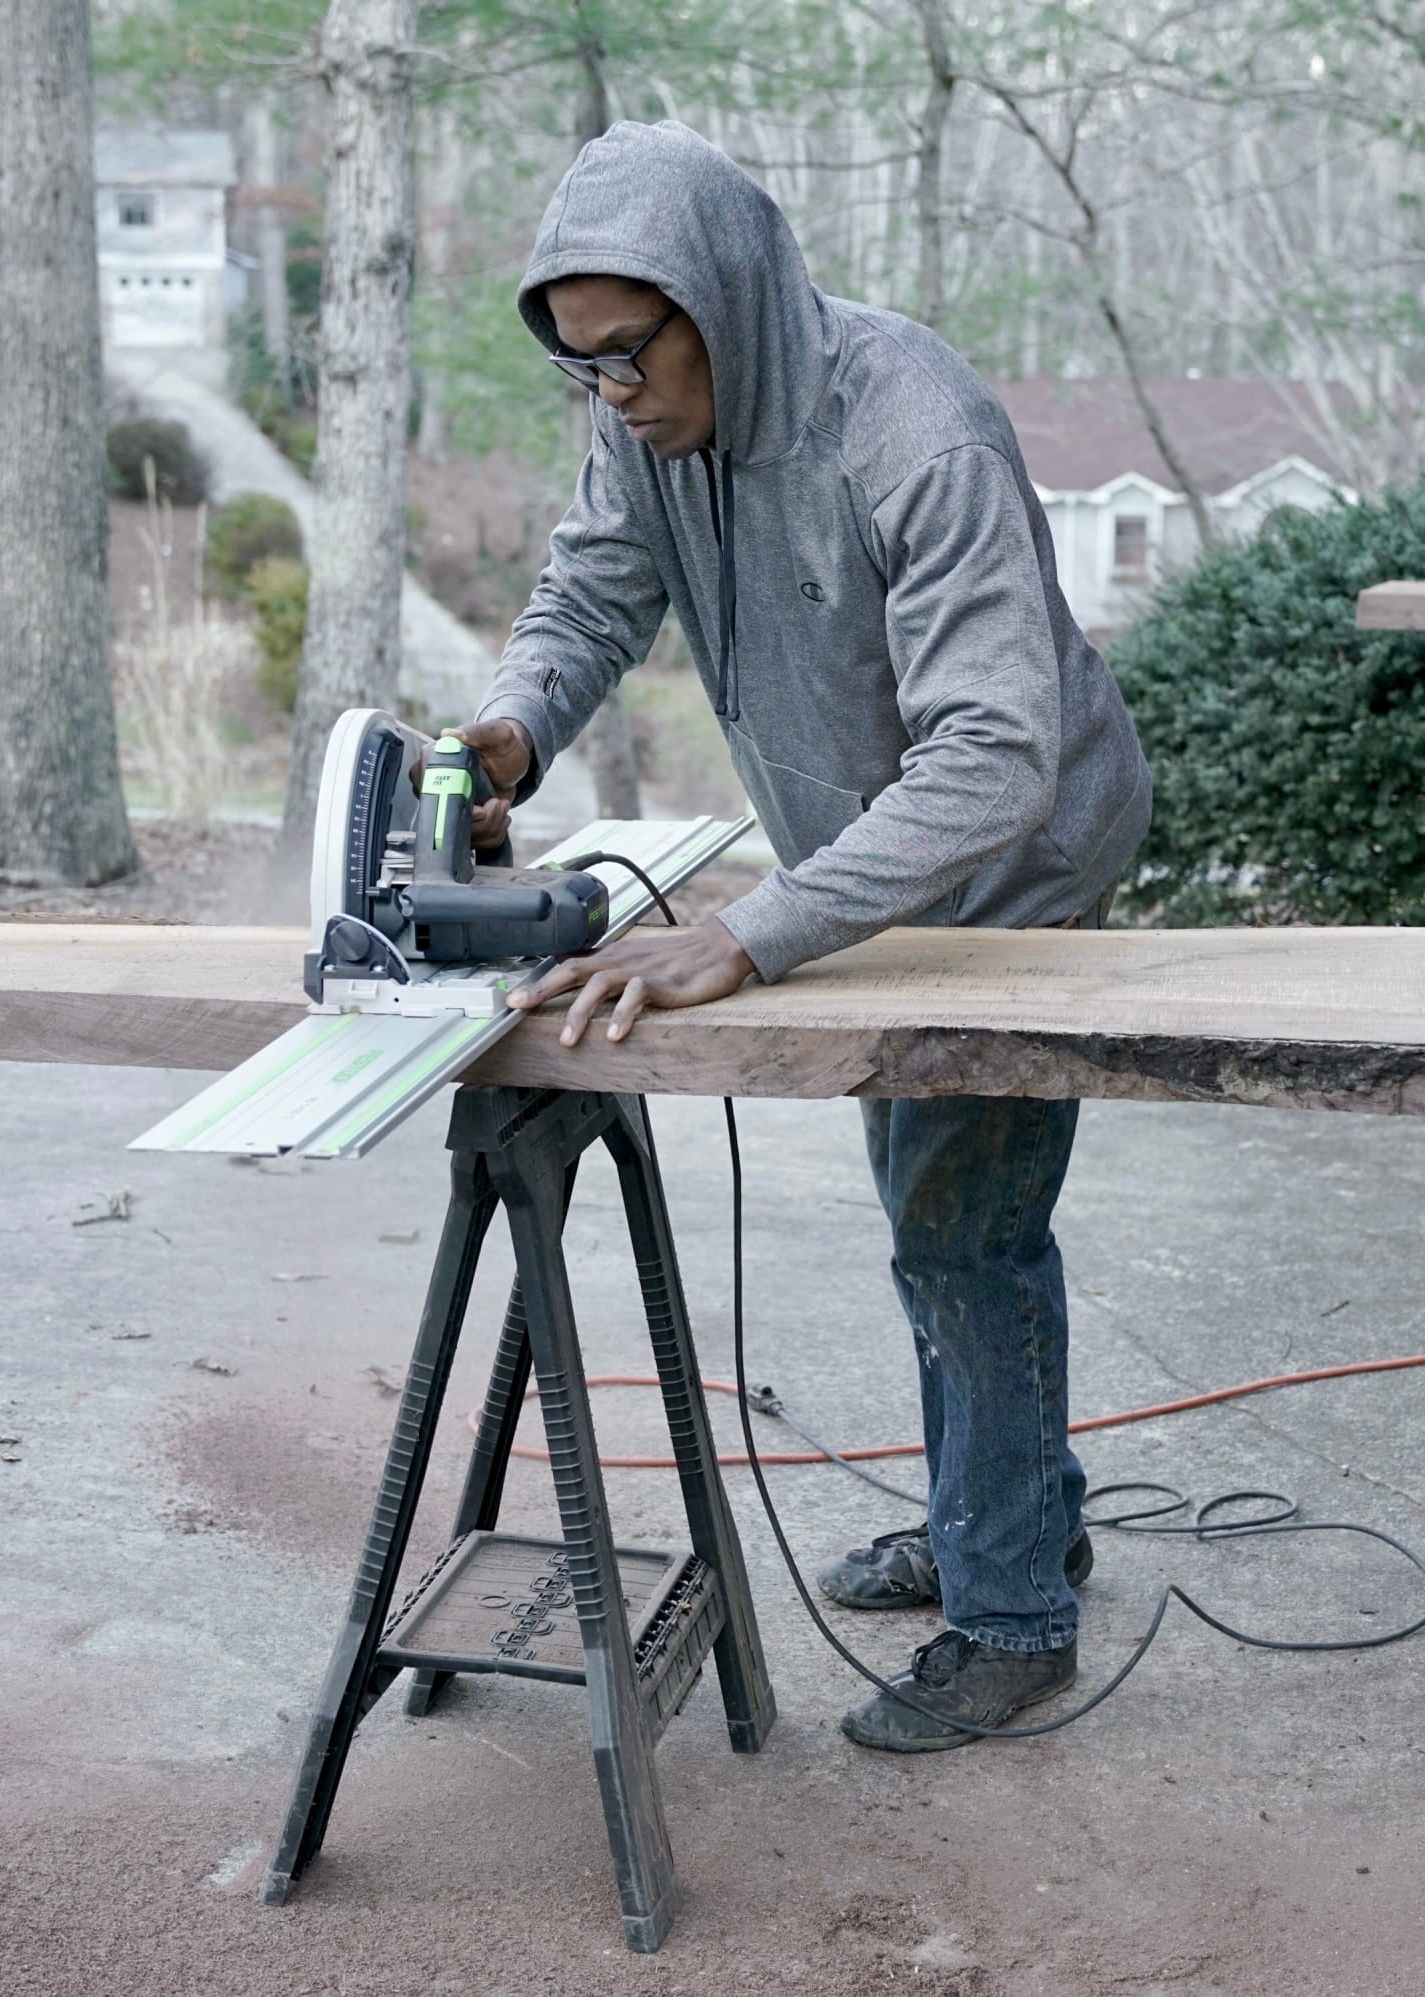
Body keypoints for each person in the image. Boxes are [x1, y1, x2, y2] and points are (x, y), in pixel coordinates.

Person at [456, 120, 1152, 1752]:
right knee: (932, 1204)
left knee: (963, 1222)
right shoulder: (650, 423)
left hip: (1020, 859)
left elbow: (995, 760)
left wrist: (752, 934)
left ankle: (1012, 1614)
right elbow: (590, 596)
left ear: (726, 298)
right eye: (579, 369)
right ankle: (1009, 1514)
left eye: (628, 356)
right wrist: (508, 734)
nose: (609, 396)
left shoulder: (914, 430)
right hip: (878, 854)